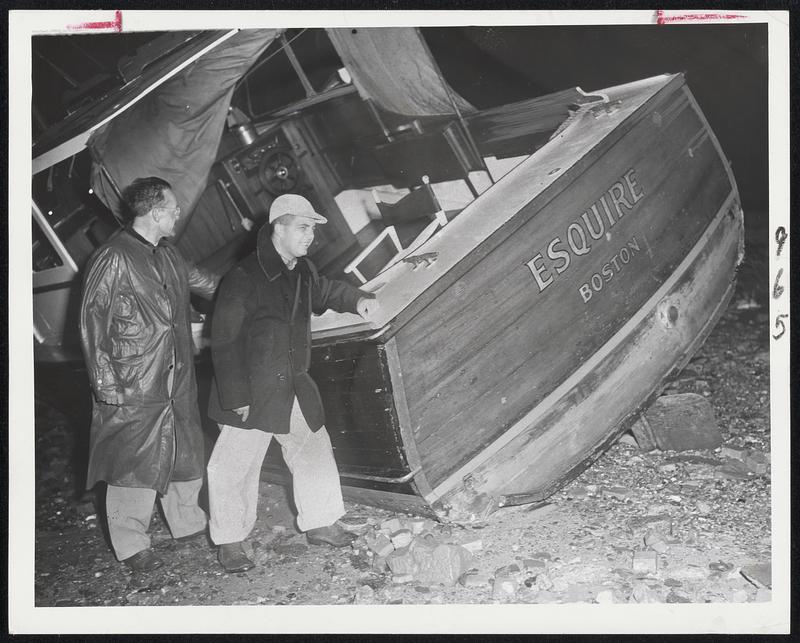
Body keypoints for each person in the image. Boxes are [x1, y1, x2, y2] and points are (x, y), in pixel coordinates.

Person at [206, 193, 378, 573]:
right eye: (302, 228)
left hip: (292, 384)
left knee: (313, 448)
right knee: (233, 467)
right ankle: (230, 542)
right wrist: (236, 397)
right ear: (278, 229)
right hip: (251, 392)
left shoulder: (301, 270)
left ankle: (322, 523)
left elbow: (326, 290)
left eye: (312, 230)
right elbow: (225, 341)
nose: (310, 237)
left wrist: (357, 299)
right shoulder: (244, 277)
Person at [79, 177, 219, 572]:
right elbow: (92, 321)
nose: (178, 214)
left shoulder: (169, 254)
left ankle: (187, 522)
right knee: (132, 463)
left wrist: (248, 290)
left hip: (176, 374)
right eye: (173, 209)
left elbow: (204, 282)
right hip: (135, 378)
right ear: (156, 213)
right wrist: (106, 383)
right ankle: (131, 545)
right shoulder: (113, 257)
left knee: (184, 449)